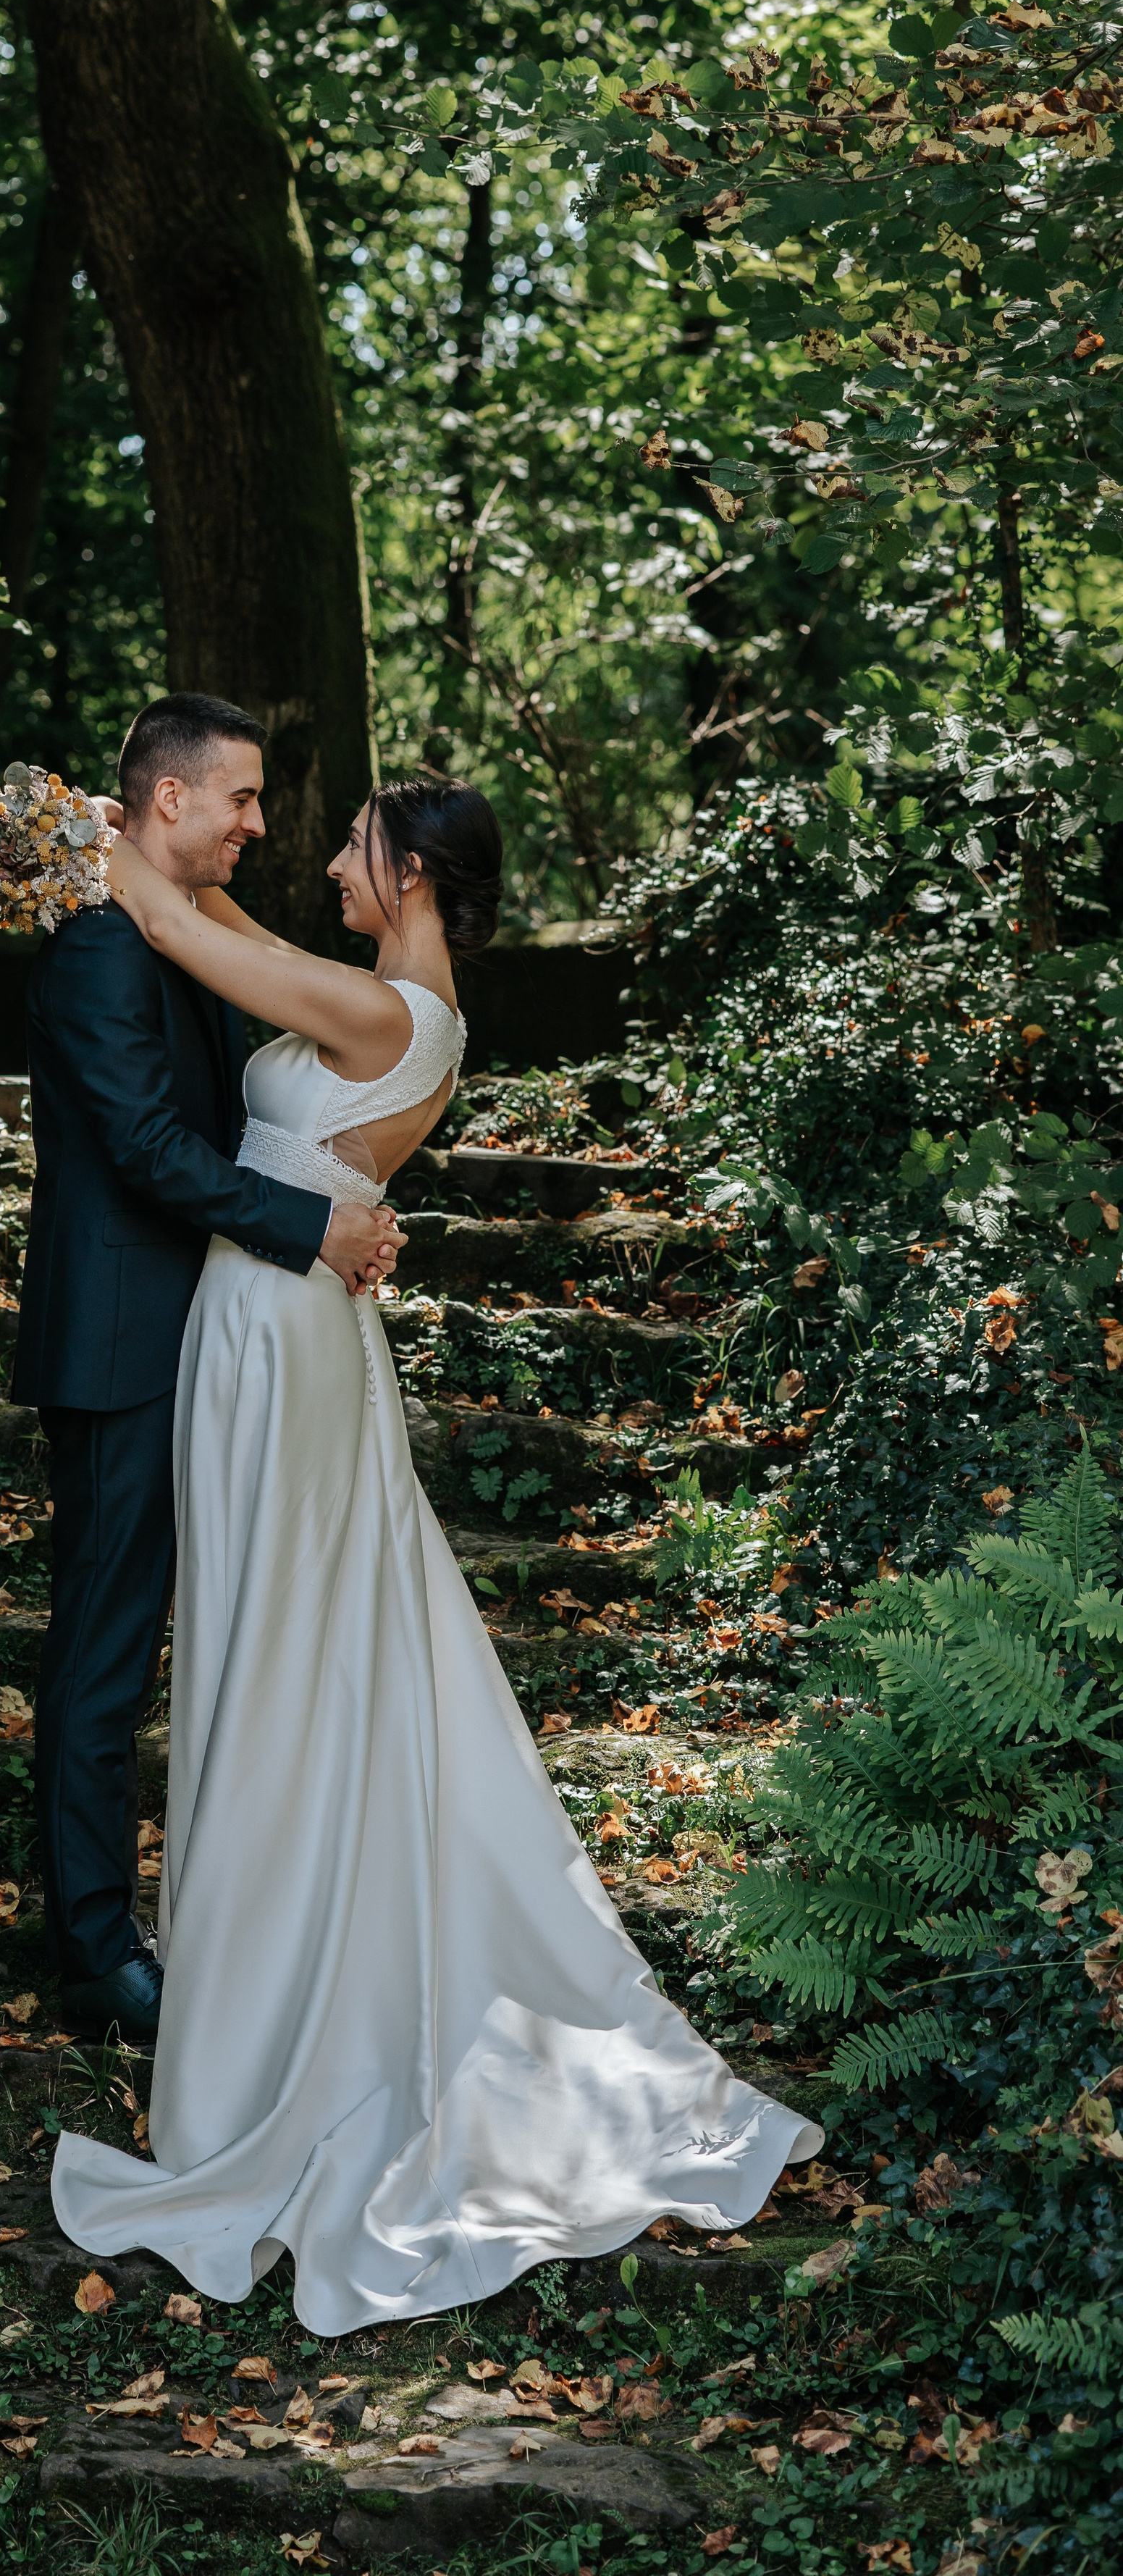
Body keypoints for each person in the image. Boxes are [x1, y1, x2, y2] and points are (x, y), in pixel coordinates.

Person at [49, 770, 823, 2333]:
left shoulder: (389, 1017)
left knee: (281, 1659)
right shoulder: (389, 996)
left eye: (344, 839)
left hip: (279, 1335)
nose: (317, 854)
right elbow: (225, 930)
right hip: (272, 1325)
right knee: (289, 1651)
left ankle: (277, 2025)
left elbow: (171, 917)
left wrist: (73, 834)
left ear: (402, 869)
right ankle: (264, 1980)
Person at [12, 693, 403, 2047]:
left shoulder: (178, 937)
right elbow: (144, 1150)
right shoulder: (99, 946)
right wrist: (311, 1230)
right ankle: (91, 1949)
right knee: (105, 1652)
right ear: (164, 800)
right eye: (237, 798)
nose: (257, 822)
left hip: (198, 1335)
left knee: (155, 1640)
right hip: (118, 1341)